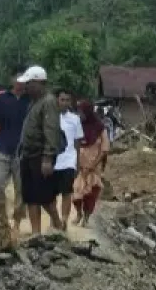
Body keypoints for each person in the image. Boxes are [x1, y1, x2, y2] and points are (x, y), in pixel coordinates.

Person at [17, 66, 63, 235]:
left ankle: (58, 224)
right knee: (30, 197)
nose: (26, 87)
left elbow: (51, 130)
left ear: (39, 83)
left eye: (29, 83)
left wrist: (48, 158)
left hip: (40, 156)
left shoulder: (48, 102)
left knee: (44, 197)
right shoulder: (33, 103)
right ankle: (36, 233)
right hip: (28, 155)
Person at [0, 65, 29, 230]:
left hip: (23, 152)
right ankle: (3, 219)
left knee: (22, 190)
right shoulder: (1, 99)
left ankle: (17, 222)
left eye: (23, 78)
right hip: (2, 148)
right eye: (17, 78)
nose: (20, 81)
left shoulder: (30, 101)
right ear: (11, 79)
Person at [72, 100, 109, 227]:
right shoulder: (78, 126)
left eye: (81, 111)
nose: (79, 114)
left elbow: (104, 149)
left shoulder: (100, 128)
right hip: (78, 166)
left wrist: (93, 166)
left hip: (93, 167)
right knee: (76, 193)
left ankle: (86, 218)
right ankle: (78, 214)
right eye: (78, 111)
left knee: (91, 194)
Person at [53, 89, 83, 231]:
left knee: (67, 193)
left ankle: (64, 220)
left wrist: (77, 163)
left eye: (67, 100)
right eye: (62, 99)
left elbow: (77, 143)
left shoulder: (75, 119)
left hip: (69, 161)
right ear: (57, 100)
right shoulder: (50, 118)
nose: (65, 103)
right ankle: (54, 220)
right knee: (51, 194)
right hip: (53, 162)